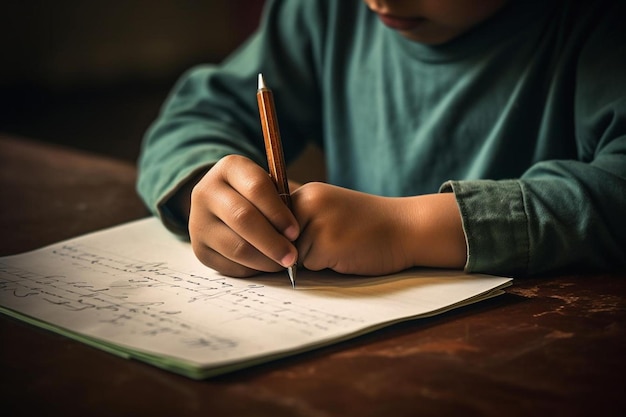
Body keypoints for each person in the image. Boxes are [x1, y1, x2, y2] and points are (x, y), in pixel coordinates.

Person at [137, 0, 626, 278]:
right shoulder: (330, 11)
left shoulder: (597, 25)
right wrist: (209, 188)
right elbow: (194, 118)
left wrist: (406, 228)